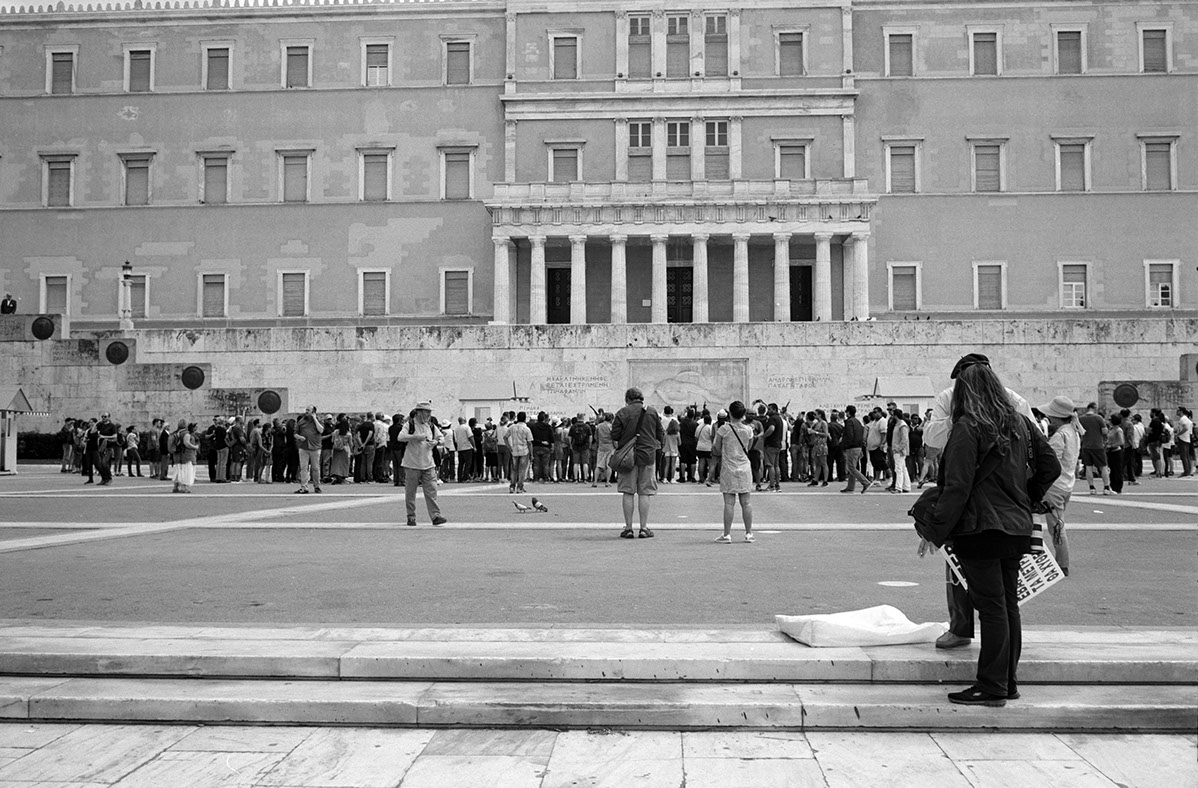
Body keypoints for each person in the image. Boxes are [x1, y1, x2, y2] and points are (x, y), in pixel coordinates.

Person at [921, 362, 1060, 707]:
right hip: (1015, 526)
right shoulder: (1021, 423)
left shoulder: (968, 427)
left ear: (964, 393)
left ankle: (993, 685)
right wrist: (1026, 497)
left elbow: (957, 487)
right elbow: (1050, 466)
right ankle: (1007, 681)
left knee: (992, 607)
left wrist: (934, 532)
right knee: (1007, 606)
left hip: (981, 528)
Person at [610, 387, 664, 539]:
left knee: (628, 492)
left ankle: (628, 528)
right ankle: (644, 527)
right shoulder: (652, 412)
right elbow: (660, 433)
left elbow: (614, 434)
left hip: (627, 457)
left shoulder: (622, 412)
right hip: (647, 455)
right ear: (641, 399)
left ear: (627, 399)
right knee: (644, 492)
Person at [1037, 396, 1081, 577]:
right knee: (1058, 523)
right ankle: (1060, 562)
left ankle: (1062, 564)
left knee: (1056, 526)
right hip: (1067, 484)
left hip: (1055, 486)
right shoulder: (1074, 431)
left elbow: (1049, 461)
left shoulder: (1060, 435)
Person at [712, 400, 755, 543]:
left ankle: (727, 534)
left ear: (730, 413)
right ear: (743, 414)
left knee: (729, 503)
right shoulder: (748, 430)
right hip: (744, 466)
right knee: (746, 502)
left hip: (729, 467)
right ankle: (749, 533)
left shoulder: (724, 429)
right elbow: (750, 446)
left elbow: (716, 448)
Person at [398, 401, 448, 526]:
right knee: (410, 492)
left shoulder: (430, 425)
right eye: (427, 412)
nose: (429, 414)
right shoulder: (409, 424)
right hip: (412, 464)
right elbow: (401, 437)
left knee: (432, 491)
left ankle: (435, 516)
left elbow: (441, 437)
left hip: (428, 463)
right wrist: (415, 437)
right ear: (419, 412)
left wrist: (436, 442)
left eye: (430, 412)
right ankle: (411, 516)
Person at [1078, 402, 1109, 494]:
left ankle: (1092, 487)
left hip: (1086, 445)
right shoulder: (1098, 418)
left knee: (1088, 467)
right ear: (1094, 408)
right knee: (1103, 466)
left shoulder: (1081, 418)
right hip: (1098, 445)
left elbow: (1079, 431)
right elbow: (1104, 431)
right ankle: (1106, 487)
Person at [294, 405, 323, 494]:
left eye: (308, 410)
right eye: (306, 410)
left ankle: (317, 485)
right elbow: (295, 433)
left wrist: (315, 419)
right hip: (304, 447)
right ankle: (304, 487)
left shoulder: (317, 421)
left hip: (315, 447)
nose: (306, 411)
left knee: (315, 468)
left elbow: (321, 430)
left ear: (313, 412)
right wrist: (299, 437)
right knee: (303, 468)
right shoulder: (301, 421)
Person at [504, 411, 533, 494]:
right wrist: (531, 454)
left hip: (514, 451)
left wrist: (509, 447)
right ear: (525, 418)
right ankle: (520, 487)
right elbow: (530, 442)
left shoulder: (512, 427)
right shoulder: (526, 429)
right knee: (522, 470)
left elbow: (505, 437)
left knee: (514, 469)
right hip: (524, 450)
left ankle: (512, 486)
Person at [890, 410, 911, 493]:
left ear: (895, 416)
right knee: (903, 468)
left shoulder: (902, 425)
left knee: (899, 469)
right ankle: (906, 486)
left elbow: (904, 439)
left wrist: (898, 448)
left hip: (899, 450)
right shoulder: (899, 425)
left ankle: (898, 487)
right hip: (898, 449)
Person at [593, 412, 614, 488]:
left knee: (599, 464)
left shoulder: (599, 426)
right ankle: (607, 482)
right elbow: (613, 437)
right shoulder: (611, 427)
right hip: (610, 447)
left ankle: (595, 481)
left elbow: (596, 436)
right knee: (608, 465)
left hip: (601, 446)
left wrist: (599, 442)